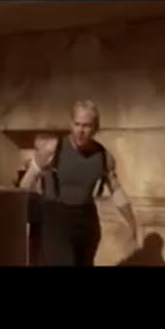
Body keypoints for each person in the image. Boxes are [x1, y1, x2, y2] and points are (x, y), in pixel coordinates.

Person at [19, 100, 139, 266]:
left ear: (96, 127)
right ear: (71, 124)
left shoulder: (104, 156)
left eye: (86, 126)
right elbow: (26, 183)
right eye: (77, 124)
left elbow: (116, 191)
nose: (81, 131)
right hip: (56, 216)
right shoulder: (53, 148)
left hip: (86, 218)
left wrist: (132, 223)